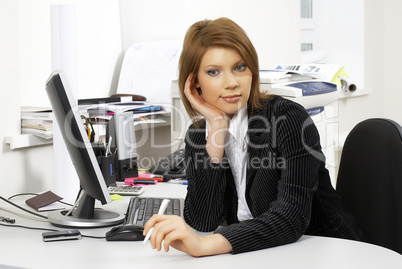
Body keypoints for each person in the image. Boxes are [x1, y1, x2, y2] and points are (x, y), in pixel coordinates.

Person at [143, 17, 364, 257]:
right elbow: (202, 222)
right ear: (195, 83)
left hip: (328, 252)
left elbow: (291, 218)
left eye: (240, 67)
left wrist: (205, 246)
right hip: (264, 254)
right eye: (214, 72)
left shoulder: (289, 119)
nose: (231, 83)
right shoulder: (199, 134)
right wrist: (216, 132)